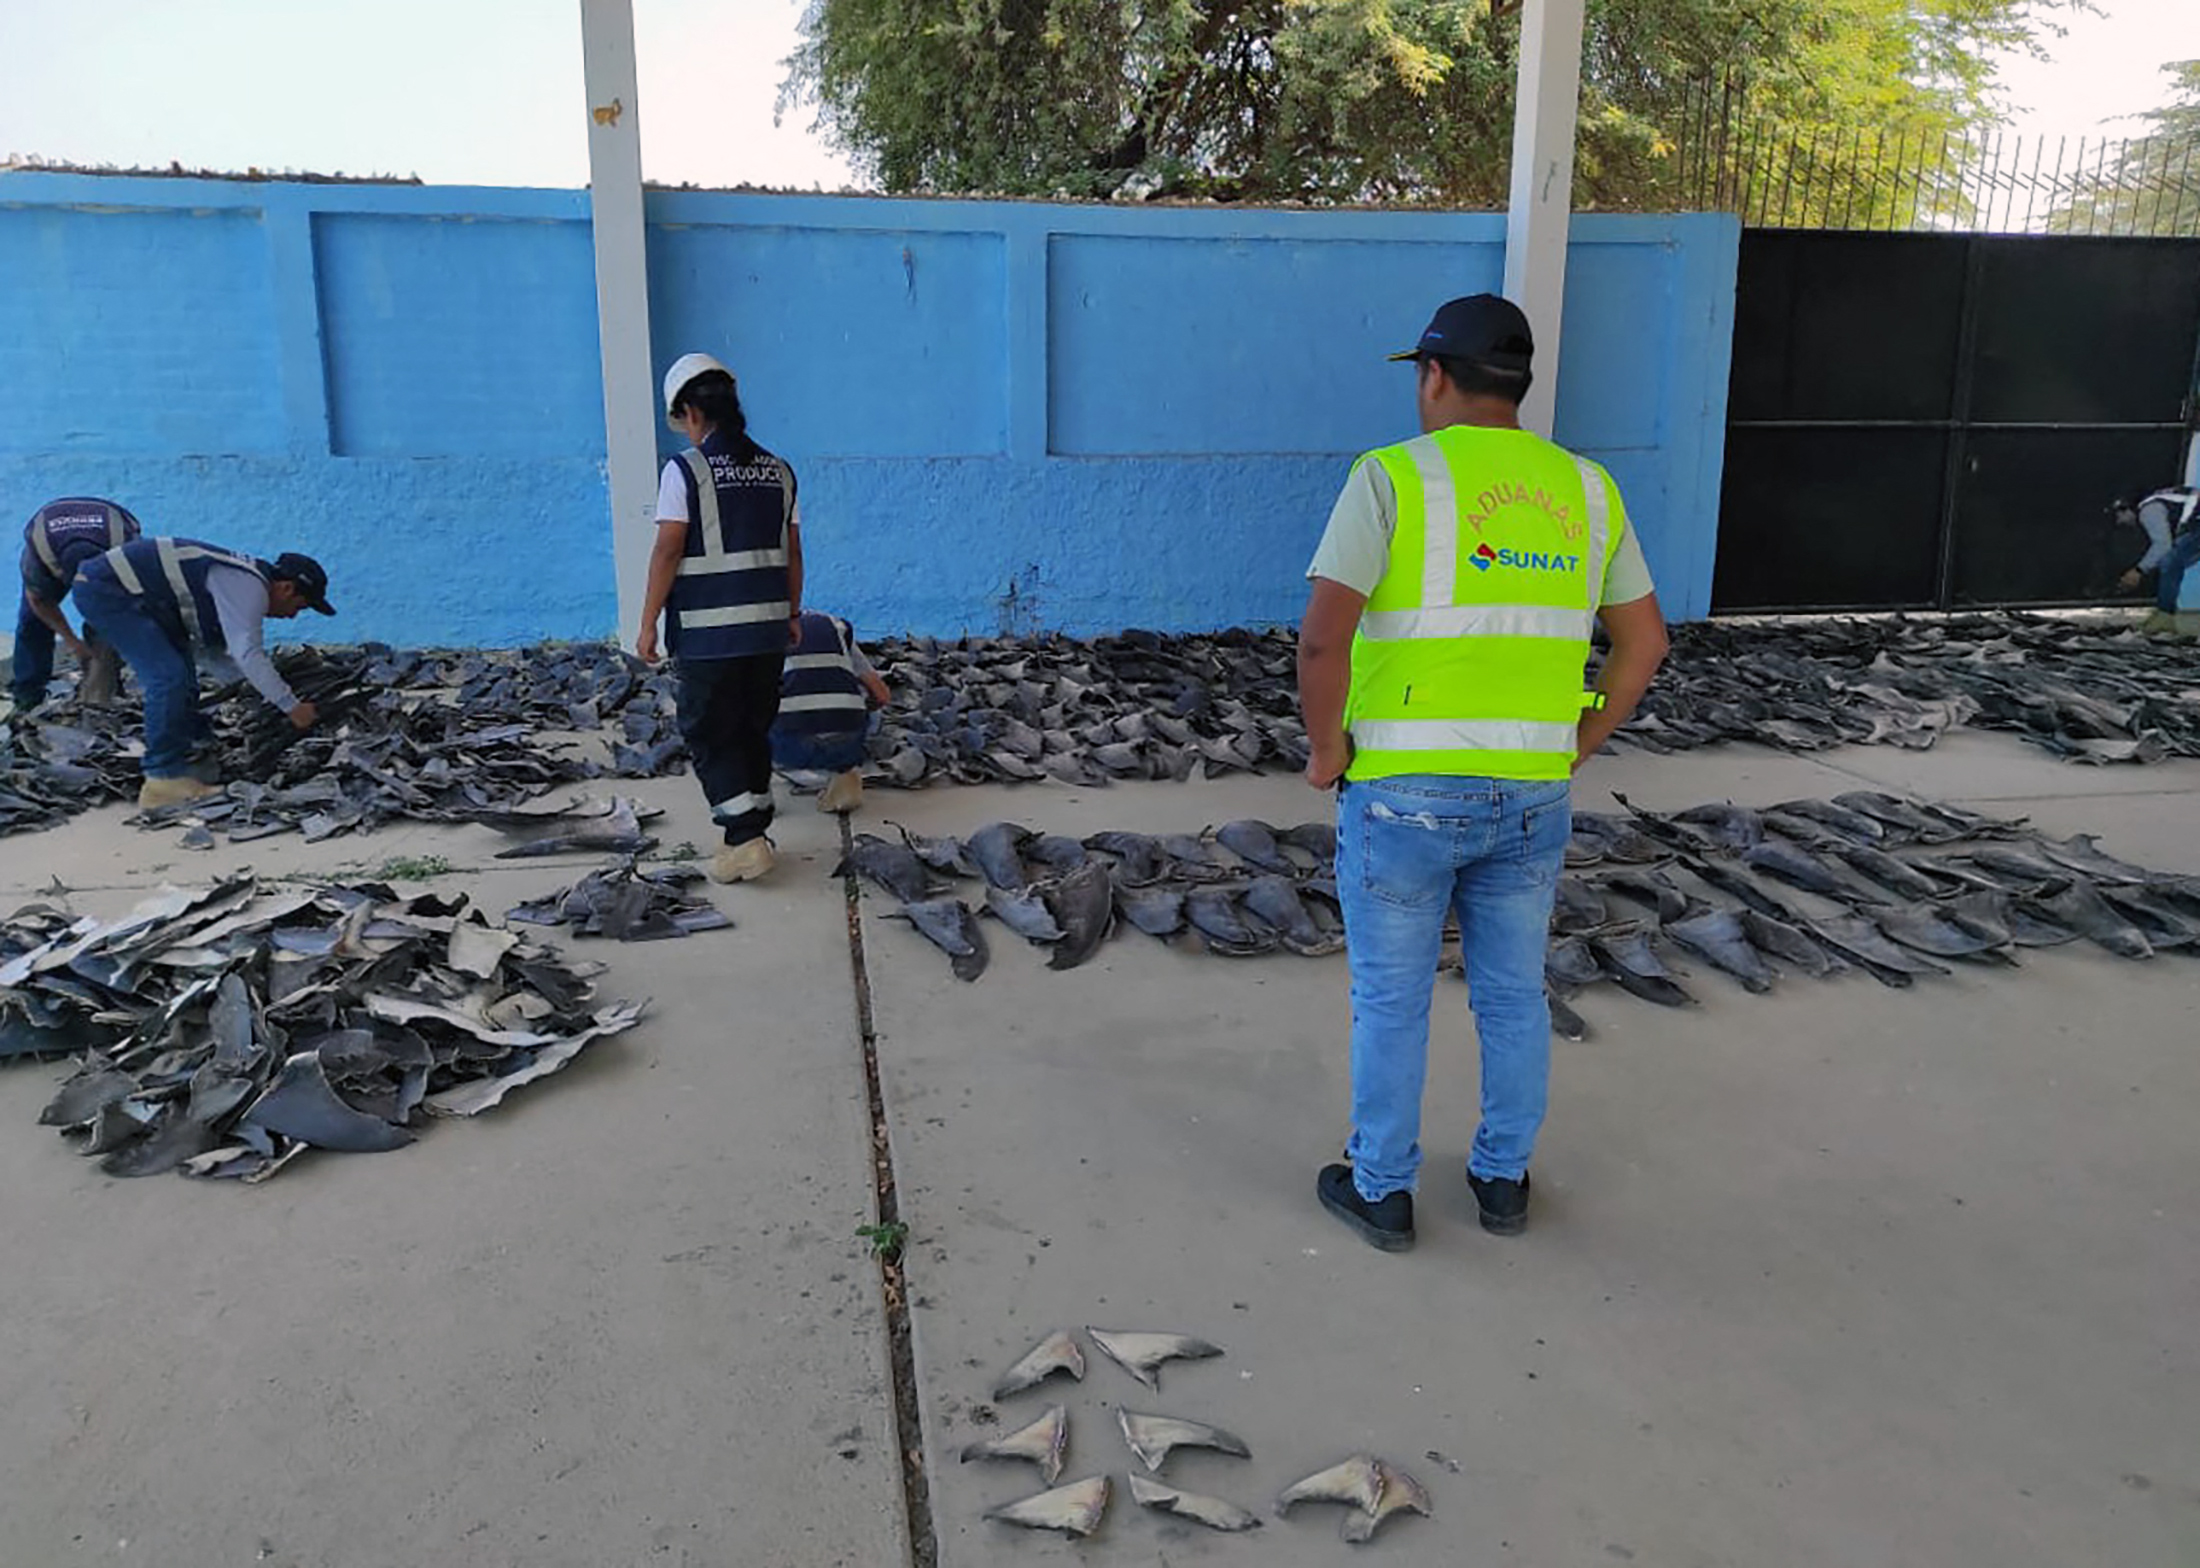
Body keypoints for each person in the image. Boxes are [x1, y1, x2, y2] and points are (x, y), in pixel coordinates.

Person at [1298, 294, 1670, 1253]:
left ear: (1433, 377)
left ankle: (1382, 1189)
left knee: (1392, 998)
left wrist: (1327, 748)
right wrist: (1583, 738)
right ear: (1520, 384)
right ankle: (1502, 1182)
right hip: (1533, 793)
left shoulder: (1390, 478)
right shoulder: (1587, 491)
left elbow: (1321, 640)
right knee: (1511, 995)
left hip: (1404, 794)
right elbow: (1645, 643)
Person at [636, 352, 805, 884]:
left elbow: (668, 549)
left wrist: (646, 623)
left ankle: (744, 837)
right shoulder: (779, 470)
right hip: (768, 628)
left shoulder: (685, 470)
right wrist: (792, 612)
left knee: (710, 729)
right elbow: (793, 551)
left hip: (710, 633)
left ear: (690, 412)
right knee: (752, 726)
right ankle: (752, 825)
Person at [70, 539, 333, 809]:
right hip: (108, 590)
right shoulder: (249, 587)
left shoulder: (241, 579)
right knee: (167, 678)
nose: (293, 617)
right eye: (299, 606)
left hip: (134, 595)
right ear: (286, 587)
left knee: (181, 677)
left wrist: (255, 690)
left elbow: (214, 654)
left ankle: (188, 761)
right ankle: (161, 780)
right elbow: (248, 653)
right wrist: (291, 706)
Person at [12, 496, 140, 712]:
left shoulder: (126, 547)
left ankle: (106, 685)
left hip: (107, 547)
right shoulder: (41, 556)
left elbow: (139, 596)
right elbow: (39, 601)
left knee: (108, 622)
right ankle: (28, 693)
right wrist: (73, 642)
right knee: (31, 622)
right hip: (55, 542)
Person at [772, 610, 891, 814]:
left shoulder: (756, 631)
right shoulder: (836, 627)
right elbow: (881, 695)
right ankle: (845, 780)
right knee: (866, 707)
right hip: (846, 743)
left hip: (791, 748)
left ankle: (756, 802)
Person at [2114, 485, 2200, 630]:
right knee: (2171, 562)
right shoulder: (2164, 502)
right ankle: (2163, 612)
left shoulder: (2148, 510)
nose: (2119, 522)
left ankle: (2164, 617)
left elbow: (2163, 546)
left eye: (2119, 515)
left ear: (2128, 508)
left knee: (2168, 561)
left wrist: (2138, 571)